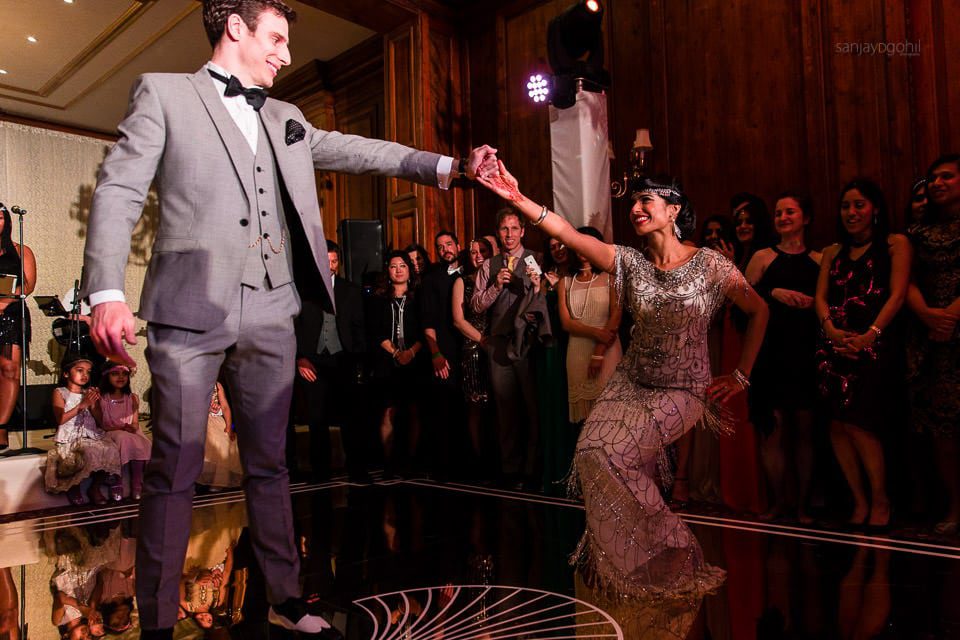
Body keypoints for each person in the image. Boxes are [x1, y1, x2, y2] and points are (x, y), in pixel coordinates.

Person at [79, 0, 496, 635]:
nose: (286, 53)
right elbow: (119, 189)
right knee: (176, 465)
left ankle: (284, 597)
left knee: (271, 463)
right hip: (190, 309)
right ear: (235, 28)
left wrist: (450, 167)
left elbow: (359, 151)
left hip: (275, 308)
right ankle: (159, 622)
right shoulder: (164, 95)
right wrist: (105, 287)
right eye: (275, 38)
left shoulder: (288, 117)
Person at [478, 161, 768, 596]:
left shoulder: (710, 264)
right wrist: (517, 198)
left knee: (615, 455)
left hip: (683, 388)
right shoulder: (627, 262)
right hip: (632, 381)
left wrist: (741, 376)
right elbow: (569, 234)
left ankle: (672, 547)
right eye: (632, 200)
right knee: (592, 453)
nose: (634, 207)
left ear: (673, 210)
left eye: (645, 199)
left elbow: (759, 310)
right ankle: (631, 565)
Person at [815, 179, 910, 529]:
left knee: (862, 425)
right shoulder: (831, 251)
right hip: (834, 346)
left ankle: (881, 499)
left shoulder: (894, 244)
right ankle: (858, 500)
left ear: (875, 209)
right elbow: (822, 297)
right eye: (846, 206)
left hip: (875, 347)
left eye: (859, 205)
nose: (852, 212)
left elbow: (897, 296)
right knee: (837, 426)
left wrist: (870, 335)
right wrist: (831, 332)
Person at [745, 192, 821, 523]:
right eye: (778, 212)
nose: (783, 216)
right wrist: (771, 293)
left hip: (806, 352)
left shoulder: (821, 259)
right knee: (771, 430)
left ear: (806, 218)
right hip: (770, 353)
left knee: (805, 432)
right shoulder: (762, 257)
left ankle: (803, 504)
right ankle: (778, 503)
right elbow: (741, 305)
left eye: (791, 211)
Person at [470, 209, 551, 490]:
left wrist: (533, 282)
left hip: (528, 344)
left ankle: (533, 469)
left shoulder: (536, 258)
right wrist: (495, 285)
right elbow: (476, 305)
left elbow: (545, 297)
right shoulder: (489, 265)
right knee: (506, 410)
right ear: (498, 232)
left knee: (532, 408)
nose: (509, 234)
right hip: (500, 344)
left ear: (523, 231)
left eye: (514, 228)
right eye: (504, 229)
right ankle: (510, 468)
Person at [905, 154, 960, 534]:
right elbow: (904, 278)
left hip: (956, 324)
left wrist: (952, 314)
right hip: (931, 339)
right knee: (943, 432)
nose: (938, 183)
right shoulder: (917, 233)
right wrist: (928, 314)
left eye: (947, 177)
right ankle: (955, 506)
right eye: (933, 178)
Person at [290, 240, 367, 483]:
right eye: (326, 261)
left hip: (343, 361)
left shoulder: (350, 290)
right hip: (312, 362)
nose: (331, 266)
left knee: (349, 418)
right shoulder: (303, 291)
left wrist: (357, 360)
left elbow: (359, 329)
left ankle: (356, 469)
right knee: (317, 418)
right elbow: (293, 328)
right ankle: (320, 472)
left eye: (334, 261)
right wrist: (300, 358)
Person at [367, 251, 428, 478]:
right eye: (394, 266)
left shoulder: (419, 296)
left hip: (416, 359)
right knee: (389, 410)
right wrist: (395, 353)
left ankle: (411, 461)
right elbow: (375, 331)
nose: (399, 270)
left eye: (403, 265)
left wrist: (411, 353)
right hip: (387, 361)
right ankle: (389, 462)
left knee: (413, 410)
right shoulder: (378, 298)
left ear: (409, 270)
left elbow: (426, 328)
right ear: (388, 271)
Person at [558, 226, 622, 423]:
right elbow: (566, 323)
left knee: (611, 417)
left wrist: (598, 351)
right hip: (577, 351)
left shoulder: (611, 277)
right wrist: (595, 333)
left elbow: (616, 315)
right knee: (586, 422)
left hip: (607, 349)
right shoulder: (565, 281)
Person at [45, 354, 121, 506]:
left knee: (111, 449)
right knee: (86, 452)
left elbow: (100, 421)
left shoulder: (88, 393)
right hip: (70, 437)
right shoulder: (60, 392)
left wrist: (94, 405)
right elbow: (60, 419)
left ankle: (95, 487)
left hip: (90, 434)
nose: (85, 374)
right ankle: (74, 486)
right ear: (66, 373)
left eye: (88, 371)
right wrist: (82, 405)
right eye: (80, 370)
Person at [419, 231, 465, 481]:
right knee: (444, 410)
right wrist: (436, 353)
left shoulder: (470, 273)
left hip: (469, 351)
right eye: (440, 246)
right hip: (444, 352)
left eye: (449, 244)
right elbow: (427, 321)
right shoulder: (431, 279)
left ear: (458, 245)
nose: (445, 249)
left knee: (467, 411)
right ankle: (443, 469)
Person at [451, 238, 494, 480]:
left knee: (497, 406)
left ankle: (497, 458)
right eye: (473, 252)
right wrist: (482, 340)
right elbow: (458, 319)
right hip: (474, 348)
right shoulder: (463, 281)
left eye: (483, 251)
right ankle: (479, 462)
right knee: (476, 407)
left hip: (498, 350)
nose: (478, 255)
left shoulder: (499, 278)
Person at [0, 204, 36, 450]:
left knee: (9, 369)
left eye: (0, 218)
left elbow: (28, 285)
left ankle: (1, 428)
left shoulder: (20, 250)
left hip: (10, 313)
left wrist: (4, 302)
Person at [94, 362, 150, 501]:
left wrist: (132, 427)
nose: (120, 377)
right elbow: (103, 425)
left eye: (124, 374)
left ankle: (137, 482)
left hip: (129, 432)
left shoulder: (132, 398)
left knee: (139, 441)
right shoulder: (102, 399)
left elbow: (135, 423)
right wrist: (120, 428)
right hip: (111, 433)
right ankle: (117, 481)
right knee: (123, 438)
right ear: (107, 376)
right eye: (115, 374)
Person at [198, 381, 243, 490]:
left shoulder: (217, 385)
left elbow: (225, 407)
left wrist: (228, 426)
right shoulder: (195, 383)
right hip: (199, 421)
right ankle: (192, 480)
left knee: (224, 445)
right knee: (203, 447)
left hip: (216, 421)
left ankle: (219, 482)